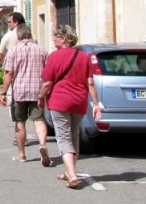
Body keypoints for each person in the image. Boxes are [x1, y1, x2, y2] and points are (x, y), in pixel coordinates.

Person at [38, 25, 103, 189]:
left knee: (63, 138)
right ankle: (68, 171)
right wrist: (96, 104)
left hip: (60, 101)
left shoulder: (54, 56)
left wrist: (40, 97)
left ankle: (72, 175)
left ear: (64, 39)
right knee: (74, 137)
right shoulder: (83, 57)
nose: (53, 39)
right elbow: (90, 83)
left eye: (56, 36)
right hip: (79, 101)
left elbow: (47, 83)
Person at [0, 24, 49, 164]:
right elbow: (48, 72)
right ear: (30, 35)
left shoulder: (13, 51)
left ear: (19, 36)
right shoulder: (41, 50)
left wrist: (3, 92)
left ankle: (21, 154)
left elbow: (9, 73)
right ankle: (42, 145)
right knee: (39, 120)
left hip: (19, 91)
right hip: (37, 91)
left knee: (20, 122)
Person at [0, 12, 26, 140]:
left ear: (16, 22)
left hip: (14, 76)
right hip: (30, 76)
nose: (8, 24)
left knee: (17, 107)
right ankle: (39, 141)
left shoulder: (8, 36)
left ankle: (19, 136)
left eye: (9, 22)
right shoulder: (31, 36)